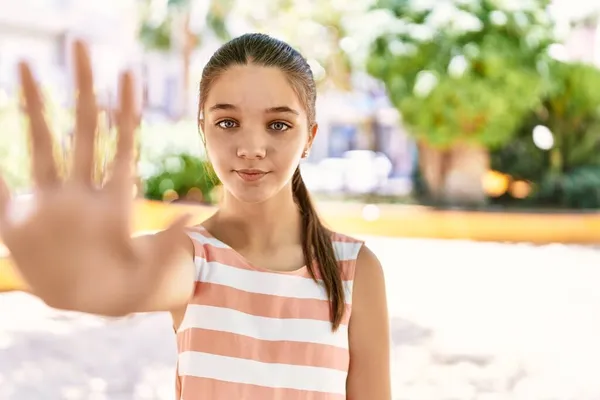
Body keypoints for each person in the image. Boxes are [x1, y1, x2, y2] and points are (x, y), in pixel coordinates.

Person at [0, 33, 391, 399]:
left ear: (309, 136)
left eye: (278, 125)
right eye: (227, 122)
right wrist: (75, 277)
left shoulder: (356, 270)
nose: (252, 147)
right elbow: (123, 279)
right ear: (203, 129)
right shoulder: (191, 258)